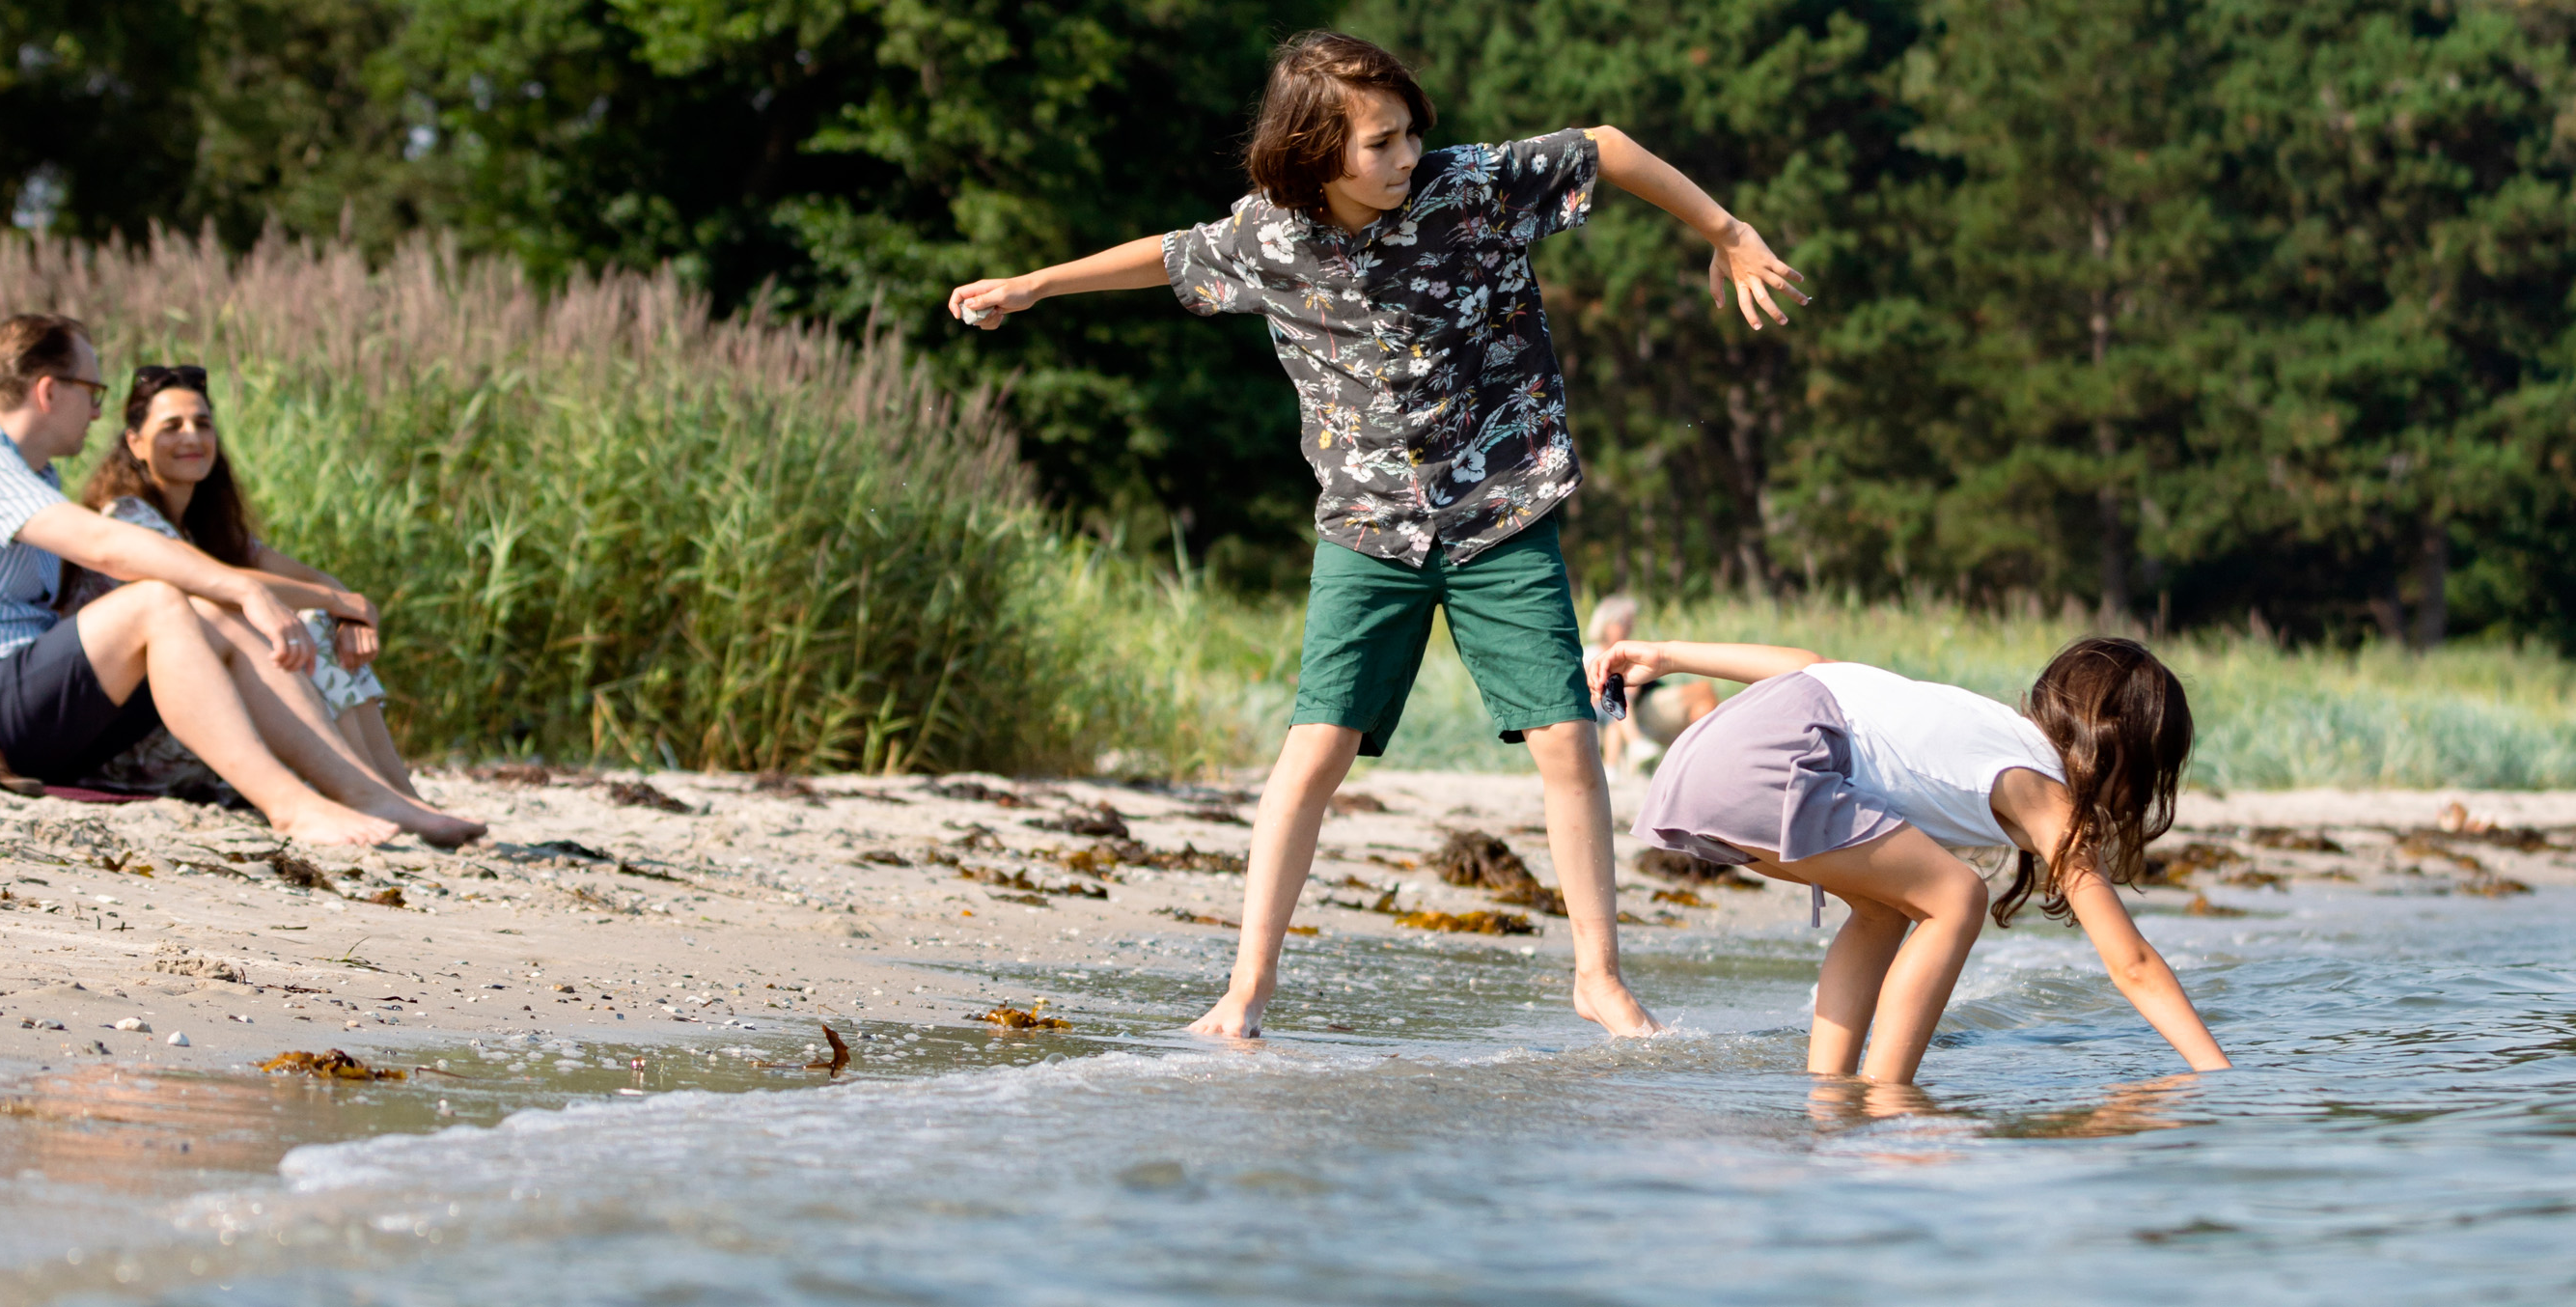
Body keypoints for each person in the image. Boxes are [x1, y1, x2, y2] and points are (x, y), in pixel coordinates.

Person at [947, 31, 1810, 1040]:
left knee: (1569, 738)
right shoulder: (1269, 236)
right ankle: (1245, 993)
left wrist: (1726, 229)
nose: (1405, 157)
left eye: (1408, 134)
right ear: (1315, 154)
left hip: (1500, 508)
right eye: (1379, 145)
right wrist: (1037, 284)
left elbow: (1607, 147)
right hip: (1366, 527)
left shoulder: (1470, 187)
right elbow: (1169, 256)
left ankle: (1598, 977)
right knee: (1313, 751)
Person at [0, 314, 485, 848]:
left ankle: (366, 792)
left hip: (14, 707)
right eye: (93, 390)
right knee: (160, 601)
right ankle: (292, 806)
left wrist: (244, 598)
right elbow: (110, 547)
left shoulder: (35, 476)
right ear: (49, 391)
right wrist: (245, 587)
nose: (99, 410)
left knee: (204, 610)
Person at [1604, 634, 2231, 1084]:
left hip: (1697, 766)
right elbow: (2133, 964)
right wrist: (2220, 1077)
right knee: (1958, 897)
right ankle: (1887, 1099)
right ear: (2134, 763)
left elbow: (1808, 665)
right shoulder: (2047, 794)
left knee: (1886, 907)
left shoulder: (1977, 726)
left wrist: (1665, 656)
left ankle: (1831, 1093)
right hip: (1773, 764)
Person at [59, 365, 420, 801]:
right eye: (172, 426)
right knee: (311, 621)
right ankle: (370, 790)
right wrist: (343, 604)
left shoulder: (205, 527)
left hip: (207, 716)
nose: (192, 436)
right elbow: (228, 583)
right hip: (143, 737)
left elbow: (311, 580)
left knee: (319, 620)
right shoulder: (127, 518)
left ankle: (395, 789)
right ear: (135, 442)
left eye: (203, 424)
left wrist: (349, 612)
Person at [1586, 595, 1718, 769]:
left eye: (1631, 622)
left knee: (1704, 699)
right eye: (1623, 622)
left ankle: (1702, 756)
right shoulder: (1590, 655)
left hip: (1642, 702)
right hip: (1626, 710)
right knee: (1616, 690)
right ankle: (1638, 743)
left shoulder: (1630, 650)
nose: (1629, 627)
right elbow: (1588, 697)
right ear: (1606, 624)